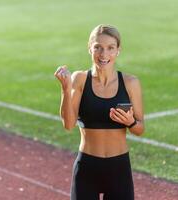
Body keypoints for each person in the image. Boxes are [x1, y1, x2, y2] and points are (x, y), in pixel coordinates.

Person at [54, 24, 145, 200]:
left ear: (118, 50)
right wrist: (65, 90)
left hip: (119, 169)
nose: (104, 54)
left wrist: (130, 122)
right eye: (98, 47)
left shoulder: (130, 83)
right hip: (87, 167)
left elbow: (140, 129)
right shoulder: (79, 79)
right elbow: (68, 124)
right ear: (90, 48)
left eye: (110, 48)